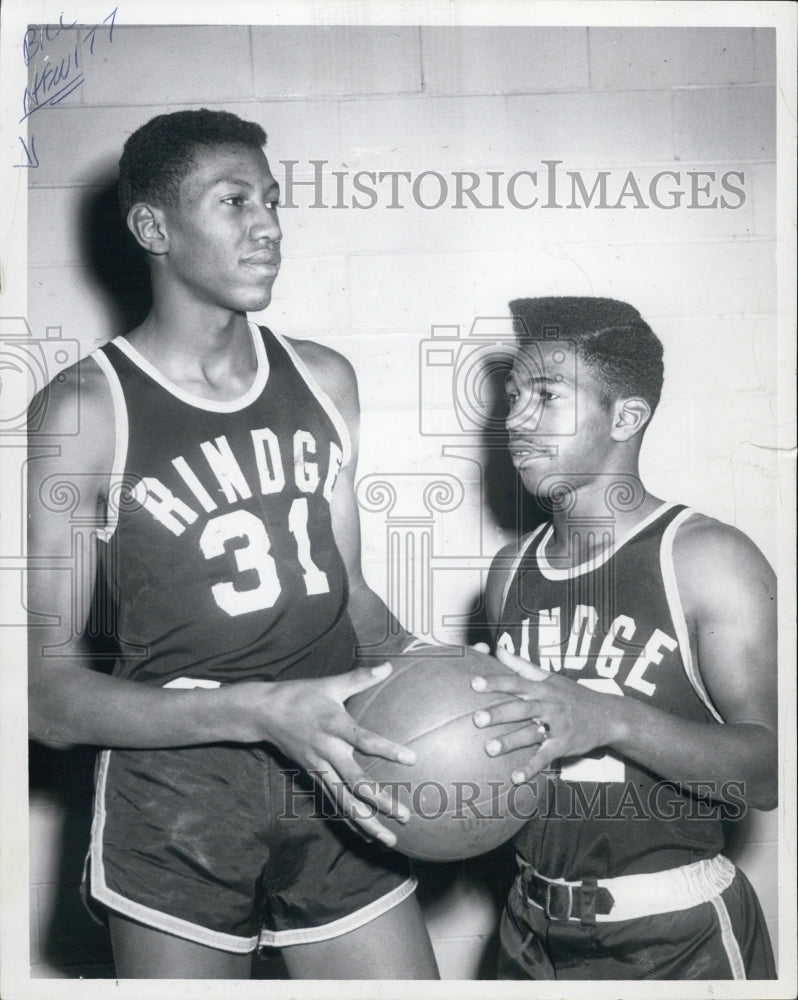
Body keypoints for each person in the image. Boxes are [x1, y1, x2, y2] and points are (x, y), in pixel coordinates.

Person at [26, 108, 438, 980]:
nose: (270, 226)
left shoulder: (324, 380)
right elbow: (47, 700)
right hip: (179, 794)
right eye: (234, 201)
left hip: (335, 767)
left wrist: (443, 671)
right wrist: (257, 711)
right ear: (153, 227)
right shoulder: (85, 410)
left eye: (274, 201)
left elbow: (350, 596)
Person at [470, 296, 777, 980]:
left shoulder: (707, 559)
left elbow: (766, 772)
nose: (515, 421)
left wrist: (609, 720)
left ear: (626, 416)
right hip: (528, 929)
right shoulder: (508, 571)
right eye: (513, 396)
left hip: (675, 939)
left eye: (546, 397)